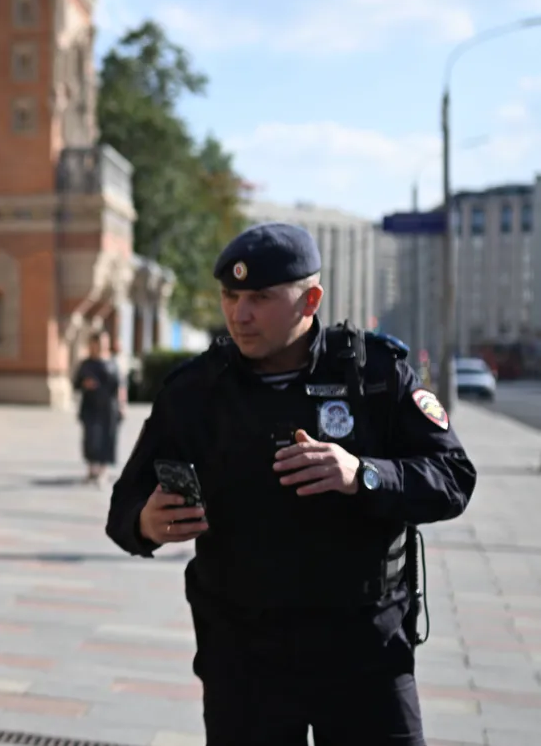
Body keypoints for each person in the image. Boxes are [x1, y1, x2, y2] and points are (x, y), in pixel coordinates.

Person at [105, 222, 476, 746]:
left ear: (310, 300)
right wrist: (145, 522)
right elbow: (124, 507)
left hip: (363, 650)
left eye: (260, 297)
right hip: (244, 657)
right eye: (230, 296)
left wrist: (363, 474)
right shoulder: (194, 392)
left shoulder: (374, 375)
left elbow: (453, 476)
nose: (240, 313)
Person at [73, 331, 125, 485]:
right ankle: (91, 470)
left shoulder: (113, 362)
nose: (101, 346)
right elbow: (76, 383)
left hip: (109, 407)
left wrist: (122, 405)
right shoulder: (86, 364)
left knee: (107, 437)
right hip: (90, 406)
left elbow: (120, 386)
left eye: (104, 342)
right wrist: (84, 384)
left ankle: (103, 471)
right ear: (92, 344)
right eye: (97, 343)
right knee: (91, 438)